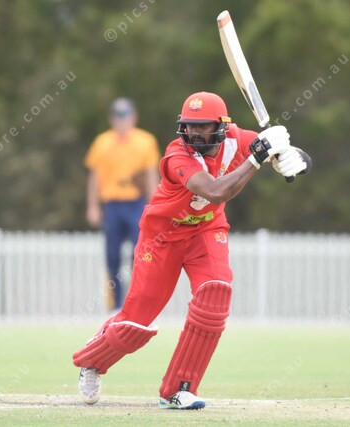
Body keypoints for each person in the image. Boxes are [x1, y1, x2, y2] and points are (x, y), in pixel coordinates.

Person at [74, 92, 311, 409]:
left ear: (222, 126)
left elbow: (296, 157)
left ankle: (178, 389)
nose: (194, 133)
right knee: (136, 324)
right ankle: (91, 362)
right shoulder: (177, 155)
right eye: (189, 126)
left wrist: (292, 157)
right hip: (163, 236)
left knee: (215, 295)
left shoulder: (238, 140)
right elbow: (216, 192)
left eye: (202, 126)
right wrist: (257, 157)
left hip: (206, 230)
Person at [84, 98, 160, 310]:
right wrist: (92, 206)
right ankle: (115, 304)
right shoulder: (102, 142)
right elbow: (94, 177)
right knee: (112, 256)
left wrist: (155, 205)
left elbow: (151, 175)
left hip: (137, 203)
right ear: (111, 119)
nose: (121, 121)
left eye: (125, 116)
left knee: (141, 253)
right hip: (112, 205)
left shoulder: (145, 141)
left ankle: (136, 302)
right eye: (117, 116)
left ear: (134, 118)